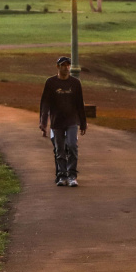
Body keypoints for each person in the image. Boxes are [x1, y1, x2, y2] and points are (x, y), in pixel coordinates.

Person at [39, 56, 87, 187]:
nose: (66, 68)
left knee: (72, 146)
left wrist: (83, 122)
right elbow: (45, 104)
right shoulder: (51, 82)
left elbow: (80, 104)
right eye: (63, 65)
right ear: (58, 67)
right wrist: (43, 122)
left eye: (68, 65)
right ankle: (61, 175)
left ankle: (72, 175)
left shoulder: (75, 83)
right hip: (57, 121)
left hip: (72, 121)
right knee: (59, 149)